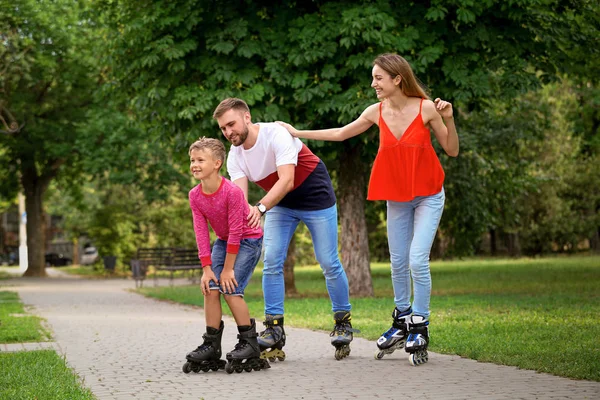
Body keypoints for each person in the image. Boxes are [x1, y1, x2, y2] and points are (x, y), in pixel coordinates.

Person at [277, 53, 459, 366]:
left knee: (417, 259)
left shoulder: (426, 108)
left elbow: (452, 150)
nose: (373, 83)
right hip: (398, 196)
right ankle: (401, 318)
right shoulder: (376, 112)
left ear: (397, 79)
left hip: (429, 194)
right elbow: (340, 133)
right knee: (398, 261)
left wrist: (450, 118)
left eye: (378, 78)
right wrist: (296, 133)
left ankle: (420, 323)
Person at [213, 98, 355, 361]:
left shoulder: (275, 134)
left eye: (231, 124)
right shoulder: (235, 156)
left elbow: (287, 179)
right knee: (272, 260)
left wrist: (261, 208)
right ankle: (274, 328)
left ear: (246, 117)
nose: (228, 132)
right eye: (223, 128)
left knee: (327, 261)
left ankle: (342, 321)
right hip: (280, 203)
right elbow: (240, 202)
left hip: (316, 198)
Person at [183, 137, 269, 374]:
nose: (194, 164)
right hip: (223, 241)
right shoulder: (195, 195)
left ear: (217, 163)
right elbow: (201, 232)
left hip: (248, 239)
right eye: (192, 160)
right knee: (211, 287)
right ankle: (211, 345)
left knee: (230, 288)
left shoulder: (231, 191)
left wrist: (228, 269)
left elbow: (237, 231)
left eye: (201, 160)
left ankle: (250, 344)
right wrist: (207, 268)